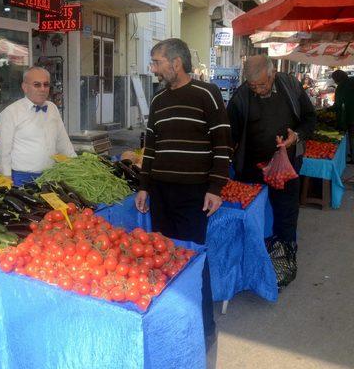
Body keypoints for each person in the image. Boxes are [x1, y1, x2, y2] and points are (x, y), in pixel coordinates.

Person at [134, 38, 231, 355]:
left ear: (176, 63)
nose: (154, 68)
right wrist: (144, 186)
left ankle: (204, 327)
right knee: (162, 256)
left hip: (194, 195)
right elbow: (151, 148)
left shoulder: (207, 94)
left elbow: (222, 144)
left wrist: (215, 188)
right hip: (161, 193)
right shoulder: (158, 100)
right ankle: (172, 323)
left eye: (157, 62)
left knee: (191, 258)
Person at [227, 55, 316, 287]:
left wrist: (296, 136)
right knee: (253, 218)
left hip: (286, 167)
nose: (258, 90)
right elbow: (229, 137)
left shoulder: (291, 87)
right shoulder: (240, 98)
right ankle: (253, 262)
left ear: (273, 73)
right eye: (253, 85)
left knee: (286, 213)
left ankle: (283, 263)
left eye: (263, 84)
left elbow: (310, 118)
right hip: (251, 169)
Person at [0, 66, 76, 186]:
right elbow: (3, 152)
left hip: (51, 176)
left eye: (46, 84)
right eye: (37, 85)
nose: (43, 89)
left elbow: (63, 141)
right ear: (25, 87)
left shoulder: (52, 108)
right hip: (21, 178)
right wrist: (7, 181)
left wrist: (76, 164)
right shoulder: (10, 113)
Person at [331, 70, 354, 163]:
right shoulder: (352, 80)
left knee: (352, 136)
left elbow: (338, 105)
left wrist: (327, 109)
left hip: (350, 116)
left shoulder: (341, 87)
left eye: (334, 79)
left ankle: (353, 158)